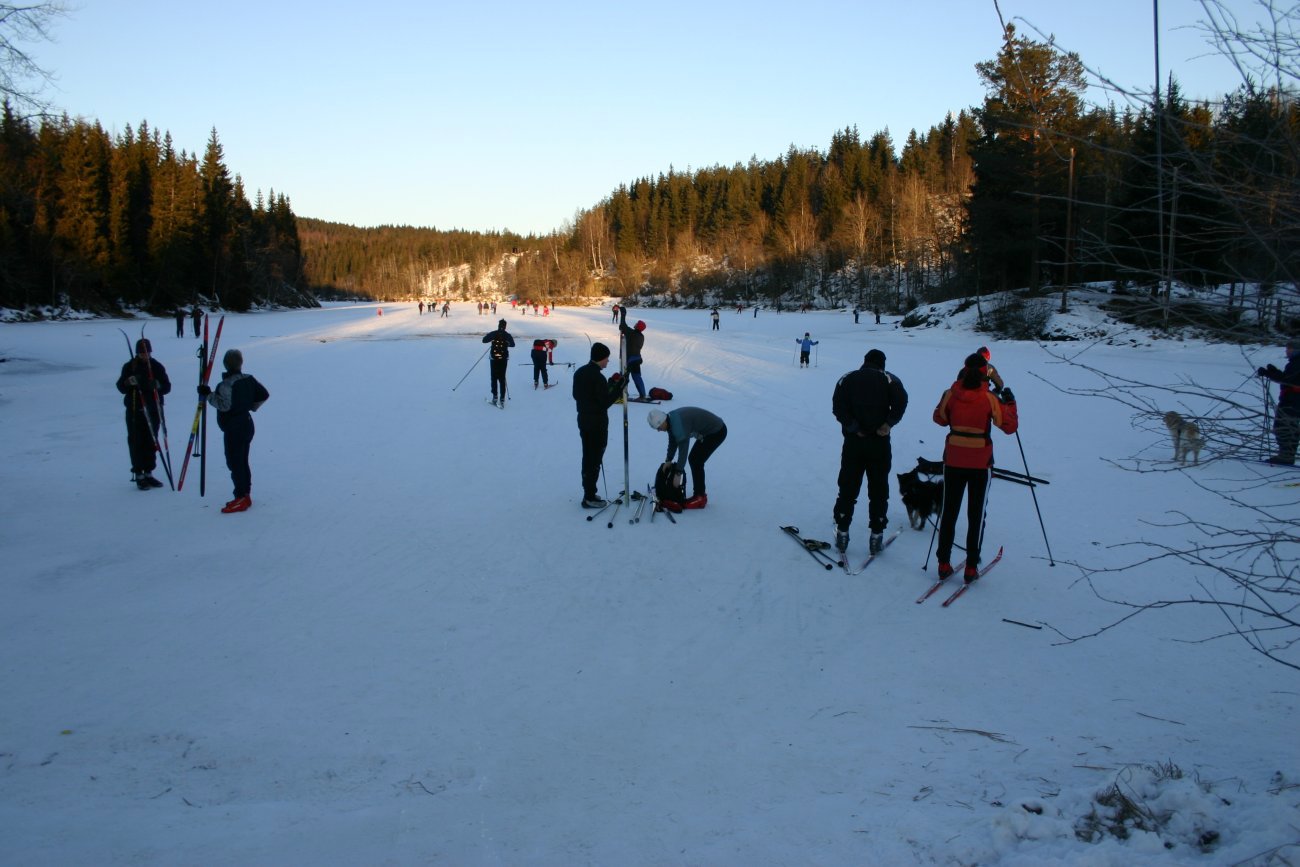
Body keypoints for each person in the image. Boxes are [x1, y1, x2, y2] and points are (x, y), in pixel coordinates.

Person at [932, 353, 1019, 581]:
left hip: (953, 460)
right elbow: (1009, 426)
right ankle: (971, 567)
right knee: (976, 514)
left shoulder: (951, 394)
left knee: (949, 512)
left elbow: (939, 419)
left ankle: (943, 563)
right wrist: (1010, 403)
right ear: (985, 373)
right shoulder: (989, 398)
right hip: (980, 462)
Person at [831, 348, 908, 554]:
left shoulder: (848, 378)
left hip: (854, 444)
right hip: (879, 444)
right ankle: (876, 534)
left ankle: (843, 530)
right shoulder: (889, 379)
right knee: (878, 489)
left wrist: (853, 427)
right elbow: (902, 401)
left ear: (864, 361)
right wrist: (888, 423)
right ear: (882, 363)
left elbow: (838, 407)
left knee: (848, 487)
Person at [198, 349, 270, 514]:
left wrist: (209, 395)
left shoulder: (227, 384)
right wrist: (250, 406)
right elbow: (263, 394)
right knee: (241, 460)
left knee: (235, 462)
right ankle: (244, 494)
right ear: (240, 363)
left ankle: (241, 496)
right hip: (246, 424)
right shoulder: (248, 379)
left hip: (235, 428)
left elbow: (225, 405)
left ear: (226, 364)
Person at [573, 342, 626, 508]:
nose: (608, 362)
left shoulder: (581, 372)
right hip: (597, 424)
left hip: (584, 421)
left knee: (588, 457)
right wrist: (619, 388)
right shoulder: (597, 376)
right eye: (607, 358)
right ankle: (589, 496)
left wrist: (610, 383)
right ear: (601, 358)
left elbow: (577, 395)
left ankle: (588, 492)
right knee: (594, 459)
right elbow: (604, 403)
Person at [116, 338, 172, 490]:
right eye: (141, 353)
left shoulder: (156, 366)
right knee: (136, 441)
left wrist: (158, 385)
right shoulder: (130, 367)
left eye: (147, 352)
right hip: (135, 410)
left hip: (153, 410)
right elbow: (120, 386)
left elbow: (167, 387)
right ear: (137, 353)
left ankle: (149, 472)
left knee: (151, 441)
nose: (145, 355)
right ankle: (139, 473)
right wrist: (128, 382)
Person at [646, 407, 727, 509]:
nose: (658, 430)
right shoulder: (670, 419)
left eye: (658, 427)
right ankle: (699, 494)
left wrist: (678, 473)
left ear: (662, 421)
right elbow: (673, 440)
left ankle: (700, 497)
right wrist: (668, 460)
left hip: (716, 431)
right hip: (710, 430)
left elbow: (683, 451)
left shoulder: (679, 427)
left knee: (696, 460)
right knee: (694, 458)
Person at [1257, 338, 1300, 465]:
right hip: (1292, 399)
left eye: (1288, 348)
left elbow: (1288, 380)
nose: (1286, 351)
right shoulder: (1295, 362)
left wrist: (1270, 374)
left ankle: (1286, 456)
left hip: (1293, 400)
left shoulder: (1297, 363)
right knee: (1290, 426)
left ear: (1294, 350)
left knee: (1283, 426)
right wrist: (1274, 372)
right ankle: (1287, 455)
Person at [481, 319, 515, 406]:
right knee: (502, 378)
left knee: (494, 377)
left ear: (498, 325)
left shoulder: (494, 333)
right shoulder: (507, 335)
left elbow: (484, 340)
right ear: (505, 326)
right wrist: (506, 344)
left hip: (494, 358)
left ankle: (495, 396)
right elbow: (513, 344)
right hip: (503, 358)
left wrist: (492, 341)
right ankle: (502, 398)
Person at [620, 318, 649, 400]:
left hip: (630, 360)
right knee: (637, 377)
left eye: (637, 323)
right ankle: (643, 395)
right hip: (637, 359)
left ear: (638, 326)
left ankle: (624, 394)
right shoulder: (641, 336)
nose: (635, 324)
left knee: (625, 377)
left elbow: (624, 326)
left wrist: (623, 314)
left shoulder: (632, 333)